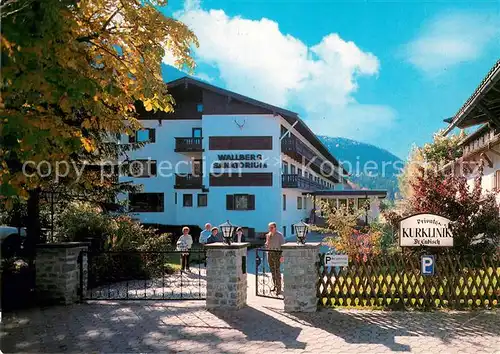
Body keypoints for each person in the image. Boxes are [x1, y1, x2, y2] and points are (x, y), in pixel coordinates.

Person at [265, 222, 285, 295]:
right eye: (269, 227)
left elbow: (283, 246)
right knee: (272, 271)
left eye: (271, 227)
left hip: (277, 254)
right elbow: (267, 246)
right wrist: (267, 240)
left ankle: (279, 289)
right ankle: (275, 286)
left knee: (277, 271)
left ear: (275, 227)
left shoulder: (279, 235)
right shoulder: (268, 235)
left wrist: (282, 256)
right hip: (270, 254)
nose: (270, 229)